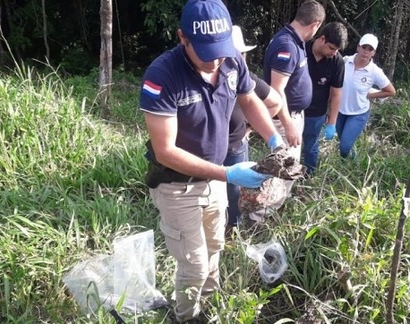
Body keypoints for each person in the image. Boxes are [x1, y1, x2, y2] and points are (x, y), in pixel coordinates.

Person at [138, 1, 284, 322]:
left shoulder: (231, 61)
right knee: (194, 264)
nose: (215, 59)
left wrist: (274, 139)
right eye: (206, 52)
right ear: (182, 38)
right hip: (176, 184)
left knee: (215, 246)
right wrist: (229, 172)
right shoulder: (163, 76)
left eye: (220, 50)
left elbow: (250, 99)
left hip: (215, 181)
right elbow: (165, 150)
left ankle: (208, 302)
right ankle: (187, 316)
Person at [250, 0, 325, 223]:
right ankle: (258, 218)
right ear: (315, 24)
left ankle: (271, 211)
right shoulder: (287, 45)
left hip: (293, 116)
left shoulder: (295, 40)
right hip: (284, 120)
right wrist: (289, 124)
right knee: (283, 169)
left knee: (287, 171)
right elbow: (277, 90)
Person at [224, 25, 282, 235]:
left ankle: (234, 228)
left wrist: (250, 128)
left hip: (235, 146)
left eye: (240, 54)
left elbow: (276, 102)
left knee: (234, 193)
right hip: (209, 149)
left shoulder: (248, 79)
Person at [337, 33, 396, 160]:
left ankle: (351, 164)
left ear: (374, 53)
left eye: (370, 49)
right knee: (343, 143)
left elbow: (391, 91)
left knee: (345, 146)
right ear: (358, 47)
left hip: (359, 112)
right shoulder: (345, 62)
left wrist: (371, 95)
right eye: (364, 47)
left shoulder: (374, 71)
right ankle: (349, 164)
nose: (366, 52)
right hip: (340, 110)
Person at [302, 22, 348, 174]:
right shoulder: (301, 49)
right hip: (294, 110)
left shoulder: (337, 62)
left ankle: (308, 177)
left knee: (310, 147)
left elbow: (336, 93)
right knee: (289, 147)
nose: (334, 53)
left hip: (316, 113)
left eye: (337, 50)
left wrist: (332, 123)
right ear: (322, 39)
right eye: (332, 48)